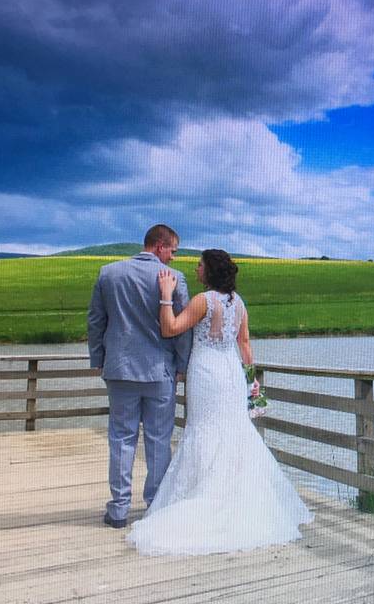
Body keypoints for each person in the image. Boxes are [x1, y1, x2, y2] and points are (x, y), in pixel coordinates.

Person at [127, 249, 313, 555]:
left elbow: (170, 328)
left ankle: (205, 496)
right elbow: (245, 344)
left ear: (210, 271)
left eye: (200, 265)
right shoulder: (238, 303)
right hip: (230, 373)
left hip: (207, 372)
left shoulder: (204, 300)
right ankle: (238, 497)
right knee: (233, 431)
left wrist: (165, 295)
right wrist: (251, 382)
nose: (196, 269)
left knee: (203, 428)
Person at [87, 224, 193, 529]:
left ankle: (118, 509)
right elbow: (181, 329)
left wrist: (98, 358)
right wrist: (182, 366)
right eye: (172, 250)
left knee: (121, 438)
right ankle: (155, 504)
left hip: (119, 369)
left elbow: (96, 321)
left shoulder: (109, 274)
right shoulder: (175, 279)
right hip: (160, 371)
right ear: (159, 246)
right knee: (158, 439)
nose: (173, 257)